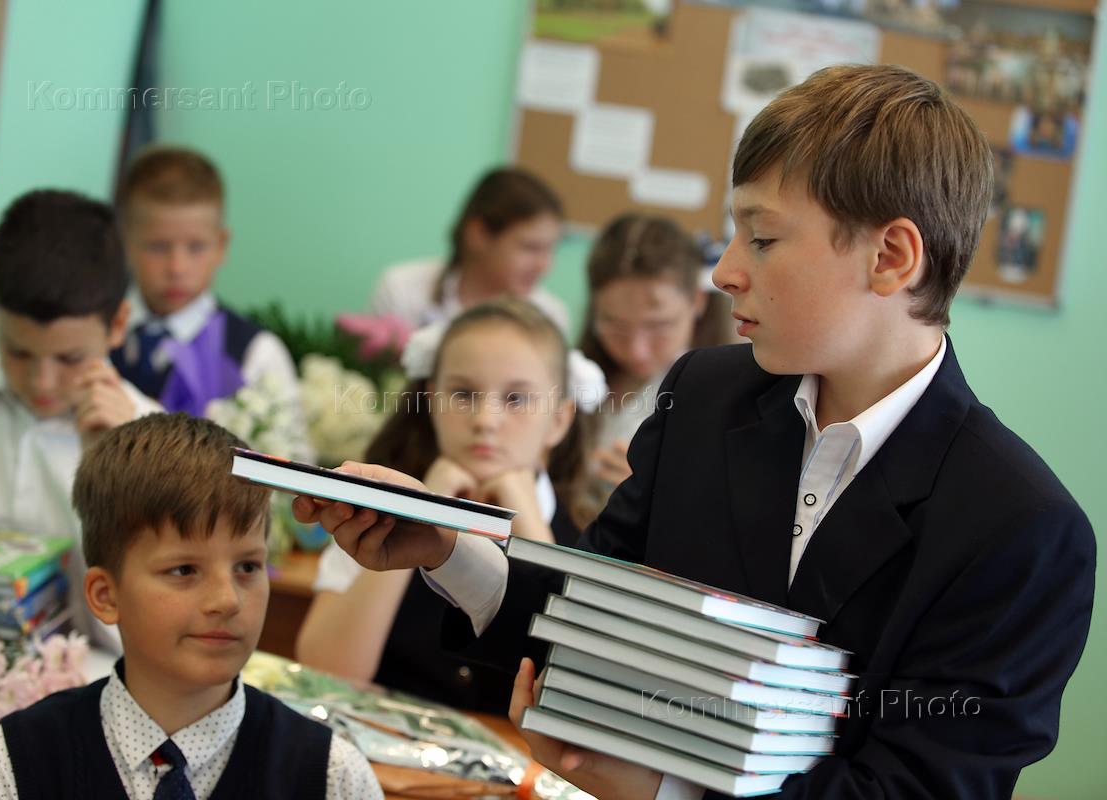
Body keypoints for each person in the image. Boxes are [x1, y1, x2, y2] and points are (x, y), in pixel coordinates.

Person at [294, 65, 1095, 799]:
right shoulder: (706, 396)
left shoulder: (1020, 530)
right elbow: (590, 603)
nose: (724, 271)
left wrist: (664, 791)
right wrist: (446, 547)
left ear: (890, 256)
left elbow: (914, 789)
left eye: (763, 237)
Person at [0, 413, 382, 799]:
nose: (227, 600)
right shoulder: (10, 768)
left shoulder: (333, 779)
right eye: (183, 570)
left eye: (247, 567)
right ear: (106, 595)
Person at [295, 297, 603, 712]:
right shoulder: (371, 512)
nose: (485, 420)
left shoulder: (594, 536)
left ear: (560, 419)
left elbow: (579, 696)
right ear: (430, 400)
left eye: (516, 399)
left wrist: (530, 525)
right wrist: (422, 506)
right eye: (463, 393)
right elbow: (327, 674)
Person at [0, 189, 161, 650]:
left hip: (84, 678)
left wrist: (113, 468)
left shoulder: (154, 439)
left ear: (118, 324)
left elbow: (143, 635)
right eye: (18, 352)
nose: (42, 380)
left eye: (70, 358)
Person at [111, 146, 299, 418]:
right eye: (158, 247)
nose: (177, 268)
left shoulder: (257, 354)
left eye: (196, 247)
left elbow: (288, 443)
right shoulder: (90, 339)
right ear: (125, 243)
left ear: (221, 245)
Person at [578, 213, 733, 507]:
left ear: (697, 301)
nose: (637, 350)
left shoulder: (726, 395)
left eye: (659, 326)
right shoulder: (576, 377)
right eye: (615, 326)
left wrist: (656, 495)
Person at [370, 167, 569, 333]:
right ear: (478, 234)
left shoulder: (549, 317)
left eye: (551, 249)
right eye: (530, 247)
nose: (544, 265)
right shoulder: (402, 290)